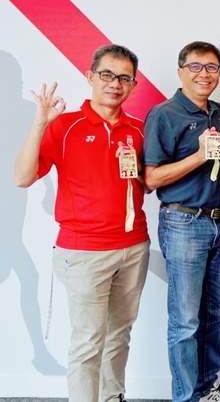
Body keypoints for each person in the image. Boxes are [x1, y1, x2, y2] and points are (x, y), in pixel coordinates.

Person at [13, 44, 150, 402]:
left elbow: (147, 182)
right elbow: (22, 177)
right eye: (107, 75)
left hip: (134, 246)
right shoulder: (65, 126)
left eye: (124, 78)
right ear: (90, 77)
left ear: (133, 85)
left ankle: (111, 397)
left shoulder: (137, 130)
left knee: (120, 335)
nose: (115, 84)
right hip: (84, 251)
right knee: (88, 341)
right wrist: (40, 122)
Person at [143, 41, 220, 402]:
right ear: (180, 72)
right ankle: (186, 396)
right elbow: (152, 178)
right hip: (183, 223)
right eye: (195, 67)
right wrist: (198, 156)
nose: (204, 74)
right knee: (186, 319)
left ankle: (207, 388)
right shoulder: (165, 114)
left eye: (211, 67)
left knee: (216, 312)